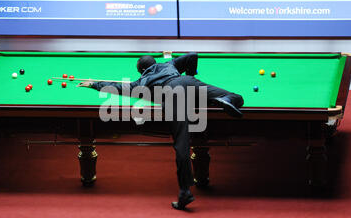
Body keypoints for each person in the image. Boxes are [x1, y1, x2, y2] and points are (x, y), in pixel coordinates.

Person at [79, 53, 244, 210]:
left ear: (142, 71)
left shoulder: (141, 82)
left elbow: (117, 88)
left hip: (172, 94)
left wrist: (94, 84)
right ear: (155, 63)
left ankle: (185, 192)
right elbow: (193, 55)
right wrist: (191, 73)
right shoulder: (169, 64)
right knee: (237, 97)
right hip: (187, 81)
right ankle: (223, 99)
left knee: (182, 144)